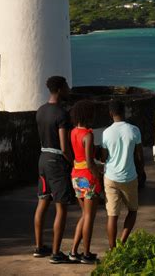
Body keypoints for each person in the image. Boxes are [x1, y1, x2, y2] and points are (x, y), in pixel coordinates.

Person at [33, 75, 73, 264]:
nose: (68, 89)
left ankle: (39, 246)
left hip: (42, 158)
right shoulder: (62, 114)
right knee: (61, 206)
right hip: (56, 161)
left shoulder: (40, 111)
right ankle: (56, 252)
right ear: (59, 89)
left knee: (42, 202)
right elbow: (64, 146)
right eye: (66, 86)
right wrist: (72, 161)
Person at [101, 99, 145, 249]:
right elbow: (139, 156)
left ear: (110, 113)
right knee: (132, 211)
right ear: (124, 111)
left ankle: (112, 249)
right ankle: (122, 243)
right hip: (129, 176)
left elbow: (103, 156)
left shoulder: (106, 133)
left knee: (112, 216)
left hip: (110, 177)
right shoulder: (134, 130)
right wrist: (141, 172)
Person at [68, 99, 102, 265]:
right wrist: (99, 176)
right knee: (89, 216)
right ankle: (86, 253)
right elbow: (90, 162)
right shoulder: (88, 135)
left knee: (84, 214)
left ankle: (74, 251)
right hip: (88, 176)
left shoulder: (73, 132)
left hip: (75, 175)